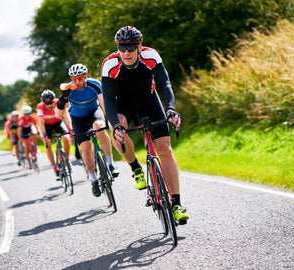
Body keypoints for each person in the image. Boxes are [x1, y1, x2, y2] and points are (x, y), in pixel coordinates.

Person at [101, 25, 189, 223]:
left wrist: (171, 109)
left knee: (164, 147)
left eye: (131, 48)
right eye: (121, 49)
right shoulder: (109, 64)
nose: (126, 53)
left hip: (149, 101)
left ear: (139, 46)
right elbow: (108, 100)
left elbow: (164, 84)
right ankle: (135, 168)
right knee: (119, 131)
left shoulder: (151, 56)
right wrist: (115, 126)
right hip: (123, 104)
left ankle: (176, 204)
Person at [56, 63, 119, 197]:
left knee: (99, 126)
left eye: (79, 78)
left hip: (93, 112)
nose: (77, 82)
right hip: (77, 118)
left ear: (85, 76)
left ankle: (110, 163)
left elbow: (103, 103)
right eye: (74, 79)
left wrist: (109, 119)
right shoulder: (69, 89)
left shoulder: (94, 84)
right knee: (85, 146)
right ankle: (94, 179)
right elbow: (58, 114)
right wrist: (63, 99)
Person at [36, 89, 72, 180]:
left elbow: (66, 116)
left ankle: (67, 160)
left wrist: (71, 129)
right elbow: (41, 122)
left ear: (54, 99)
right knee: (47, 144)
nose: (49, 105)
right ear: (42, 102)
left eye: (51, 102)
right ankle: (54, 168)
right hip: (47, 126)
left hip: (58, 123)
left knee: (66, 138)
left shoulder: (58, 102)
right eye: (46, 103)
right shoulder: (40, 107)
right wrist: (44, 135)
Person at [17, 105, 39, 170]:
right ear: (24, 114)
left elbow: (36, 126)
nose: (27, 115)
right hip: (24, 131)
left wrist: (38, 132)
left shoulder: (32, 118)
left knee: (34, 136)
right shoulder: (21, 120)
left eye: (28, 114)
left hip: (30, 129)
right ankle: (28, 161)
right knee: (26, 146)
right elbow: (19, 130)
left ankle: (35, 146)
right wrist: (20, 137)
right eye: (26, 114)